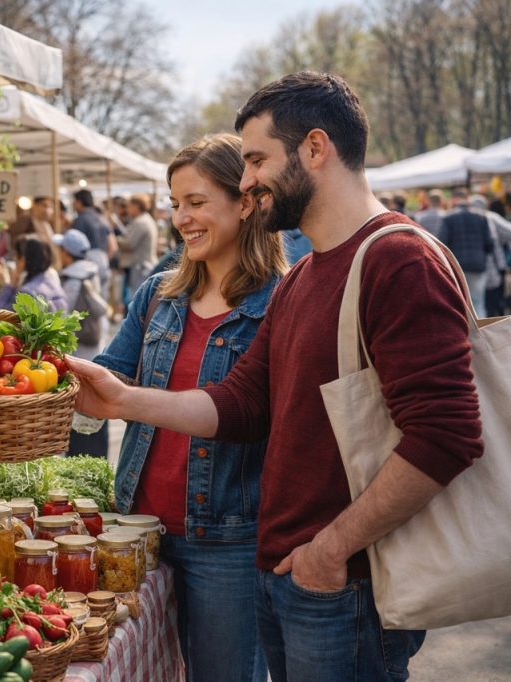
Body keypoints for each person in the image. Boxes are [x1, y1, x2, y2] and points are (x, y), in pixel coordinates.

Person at [68, 72, 482, 680]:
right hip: (289, 575)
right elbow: (240, 405)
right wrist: (124, 399)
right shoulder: (304, 278)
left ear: (315, 149)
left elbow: (447, 434)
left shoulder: (397, 258)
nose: (247, 179)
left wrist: (332, 548)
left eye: (257, 159)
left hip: (342, 587)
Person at [93, 133, 284, 681]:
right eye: (175, 204)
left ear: (244, 202)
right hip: (138, 530)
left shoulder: (279, 302)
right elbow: (112, 373)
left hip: (228, 541)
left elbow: (266, 416)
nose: (182, 218)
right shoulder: (159, 294)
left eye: (197, 202)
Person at [56, 228, 110, 459]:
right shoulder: (93, 271)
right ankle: (94, 456)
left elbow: (62, 316)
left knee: (79, 406)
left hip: (78, 350)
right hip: (97, 346)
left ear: (67, 253)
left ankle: (80, 455)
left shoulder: (71, 279)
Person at [439, 187, 494, 315]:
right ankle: (480, 333)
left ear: (454, 199)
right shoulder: (481, 216)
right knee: (478, 302)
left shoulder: (448, 218)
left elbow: (442, 243)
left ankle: (463, 333)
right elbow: (489, 243)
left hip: (456, 265)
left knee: (458, 302)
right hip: (477, 264)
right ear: (468, 198)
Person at [0, 234, 68, 312]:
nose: (14, 259)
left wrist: (9, 286)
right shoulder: (52, 282)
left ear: (23, 260)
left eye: (16, 255)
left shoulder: (27, 293)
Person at [116, 195, 159, 302]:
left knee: (137, 300)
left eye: (129, 206)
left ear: (136, 206)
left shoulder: (141, 222)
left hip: (140, 267)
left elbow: (129, 244)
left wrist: (115, 239)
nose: (127, 209)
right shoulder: (144, 219)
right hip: (142, 266)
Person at [70, 189, 113, 294]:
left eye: (74, 201)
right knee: (102, 303)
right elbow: (113, 246)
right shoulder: (103, 219)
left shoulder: (80, 220)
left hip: (87, 265)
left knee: (89, 304)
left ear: (79, 202)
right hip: (104, 262)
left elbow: (74, 247)